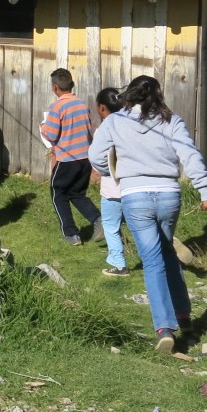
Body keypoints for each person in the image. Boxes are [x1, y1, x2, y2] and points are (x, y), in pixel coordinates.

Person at [89, 75, 207, 353]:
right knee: (167, 252)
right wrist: (206, 191)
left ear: (129, 95)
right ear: (157, 95)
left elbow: (95, 155)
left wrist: (112, 171)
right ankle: (183, 315)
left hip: (135, 197)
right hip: (169, 196)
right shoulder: (171, 120)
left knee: (152, 261)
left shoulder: (114, 121)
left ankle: (164, 328)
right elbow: (190, 154)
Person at [39, 68, 102, 246]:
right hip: (84, 159)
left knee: (57, 194)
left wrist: (43, 126)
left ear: (55, 87)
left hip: (66, 160)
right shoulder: (82, 104)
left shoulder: (57, 107)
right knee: (76, 193)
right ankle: (98, 219)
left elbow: (50, 134)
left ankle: (71, 234)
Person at [94, 87, 130, 277]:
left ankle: (119, 264)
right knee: (141, 226)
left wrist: (102, 170)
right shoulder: (133, 125)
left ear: (102, 108)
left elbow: (96, 156)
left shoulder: (104, 129)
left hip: (112, 187)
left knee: (110, 226)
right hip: (134, 185)